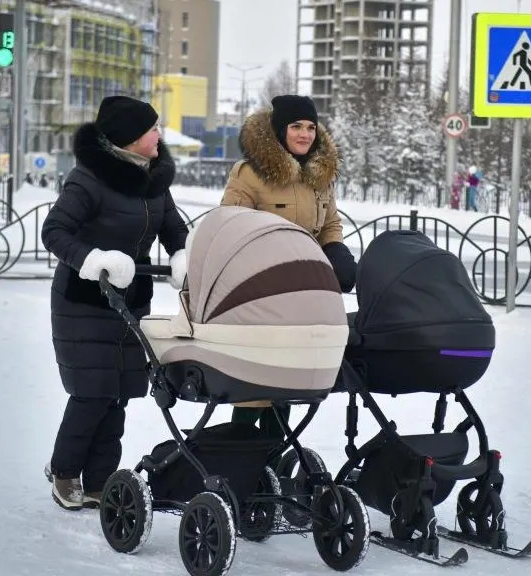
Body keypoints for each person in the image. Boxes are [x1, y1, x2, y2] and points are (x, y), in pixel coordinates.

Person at [41, 95, 190, 511]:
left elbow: (175, 230)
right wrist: (96, 260)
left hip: (131, 302)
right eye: (152, 129)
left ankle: (100, 480)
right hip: (83, 301)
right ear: (129, 138)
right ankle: (65, 472)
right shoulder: (88, 179)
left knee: (119, 393)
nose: (159, 135)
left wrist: (182, 256)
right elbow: (55, 231)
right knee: (92, 392)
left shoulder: (154, 180)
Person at [220, 94, 356, 445]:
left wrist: (335, 250)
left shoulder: (320, 175)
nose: (305, 134)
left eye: (311, 127)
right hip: (260, 293)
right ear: (280, 131)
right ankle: (242, 453)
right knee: (256, 383)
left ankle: (274, 457)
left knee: (288, 381)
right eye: (296, 126)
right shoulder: (250, 175)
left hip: (304, 293)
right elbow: (229, 228)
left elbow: (330, 223)